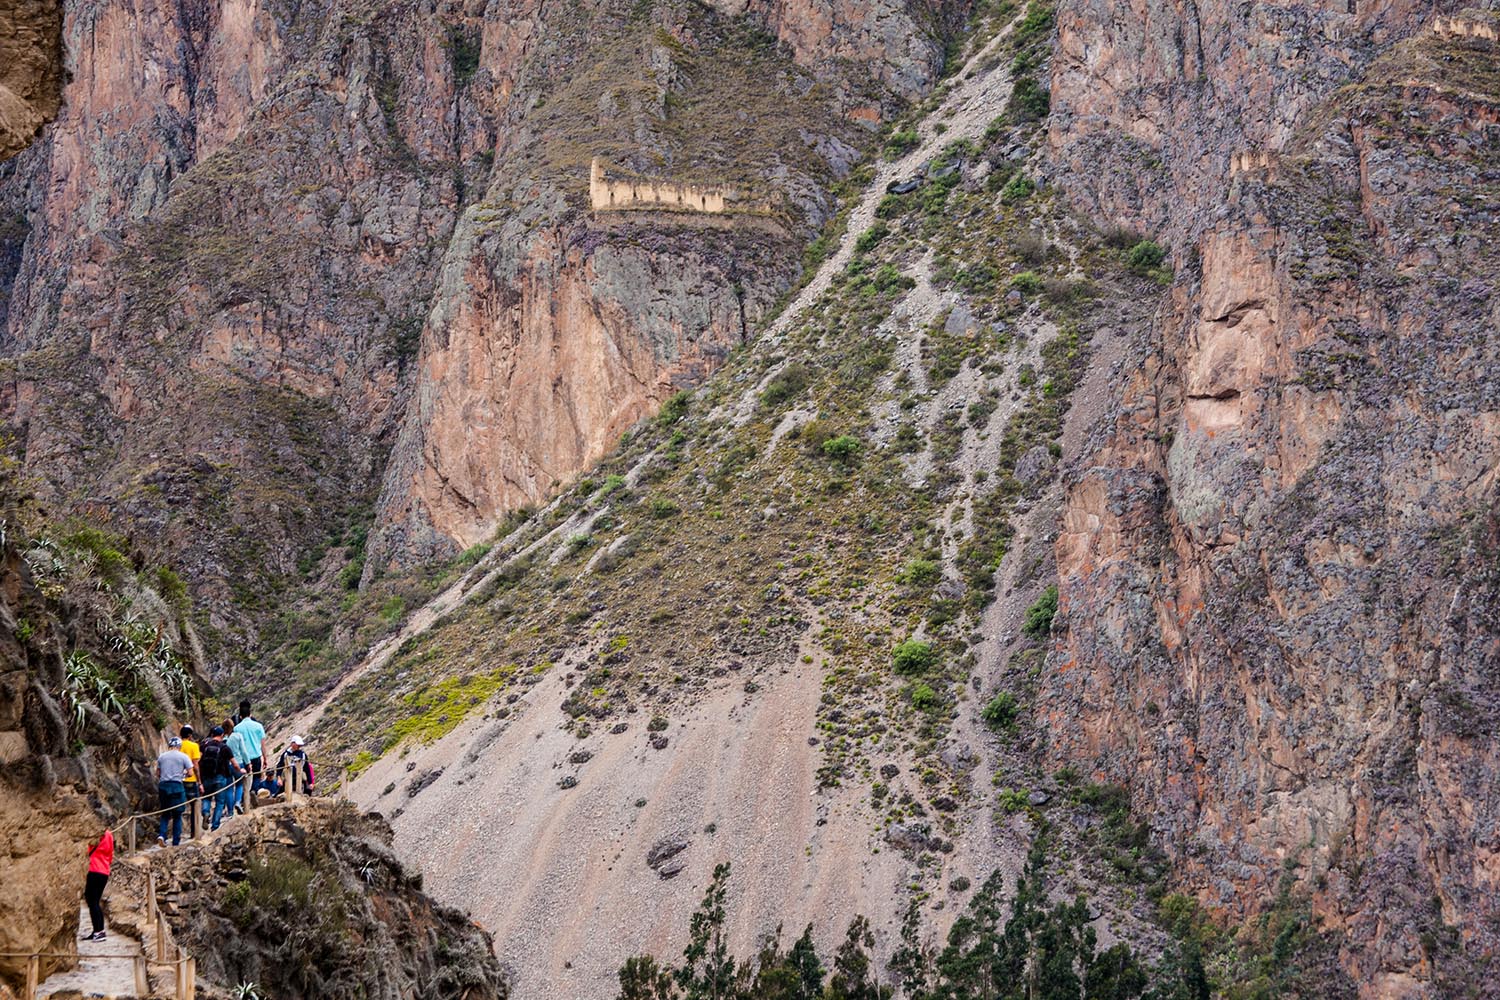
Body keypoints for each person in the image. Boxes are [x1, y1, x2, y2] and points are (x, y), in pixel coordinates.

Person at [198, 726, 240, 831]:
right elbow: (234, 764)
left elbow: (198, 761)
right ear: (222, 735)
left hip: (206, 777)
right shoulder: (224, 747)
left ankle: (206, 813)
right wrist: (241, 770)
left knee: (206, 798)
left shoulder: (204, 746)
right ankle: (215, 826)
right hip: (220, 777)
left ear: (212, 735)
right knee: (220, 802)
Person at [155, 737, 195, 847]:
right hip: (177, 786)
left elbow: (158, 773)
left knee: (165, 813)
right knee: (177, 814)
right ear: (179, 746)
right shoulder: (184, 757)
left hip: (163, 786)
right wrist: (183, 775)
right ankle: (176, 842)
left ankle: (162, 835)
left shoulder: (162, 756)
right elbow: (191, 773)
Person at [233, 700, 269, 800]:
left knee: (244, 778)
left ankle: (245, 798)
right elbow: (262, 744)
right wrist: (265, 759)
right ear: (250, 714)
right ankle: (253, 791)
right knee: (257, 776)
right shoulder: (258, 726)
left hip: (243, 757)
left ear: (240, 716)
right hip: (256, 756)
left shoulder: (236, 728)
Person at [82, 828, 113, 941]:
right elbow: (110, 853)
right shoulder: (109, 834)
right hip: (104, 870)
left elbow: (86, 848)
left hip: (93, 869)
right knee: (95, 901)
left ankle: (99, 932)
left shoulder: (93, 833)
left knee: (92, 901)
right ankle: (98, 930)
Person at [224, 717, 253, 814]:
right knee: (239, 784)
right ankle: (237, 802)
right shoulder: (237, 736)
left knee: (228, 788)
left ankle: (230, 811)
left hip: (226, 765)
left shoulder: (223, 739)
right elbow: (243, 751)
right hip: (238, 762)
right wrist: (248, 763)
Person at [178, 725, 203, 832]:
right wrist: (199, 781)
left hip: (178, 779)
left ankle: (177, 834)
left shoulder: (176, 746)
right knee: (195, 806)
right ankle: (195, 831)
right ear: (189, 735)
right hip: (191, 779)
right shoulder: (194, 746)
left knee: (178, 808)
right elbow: (195, 765)